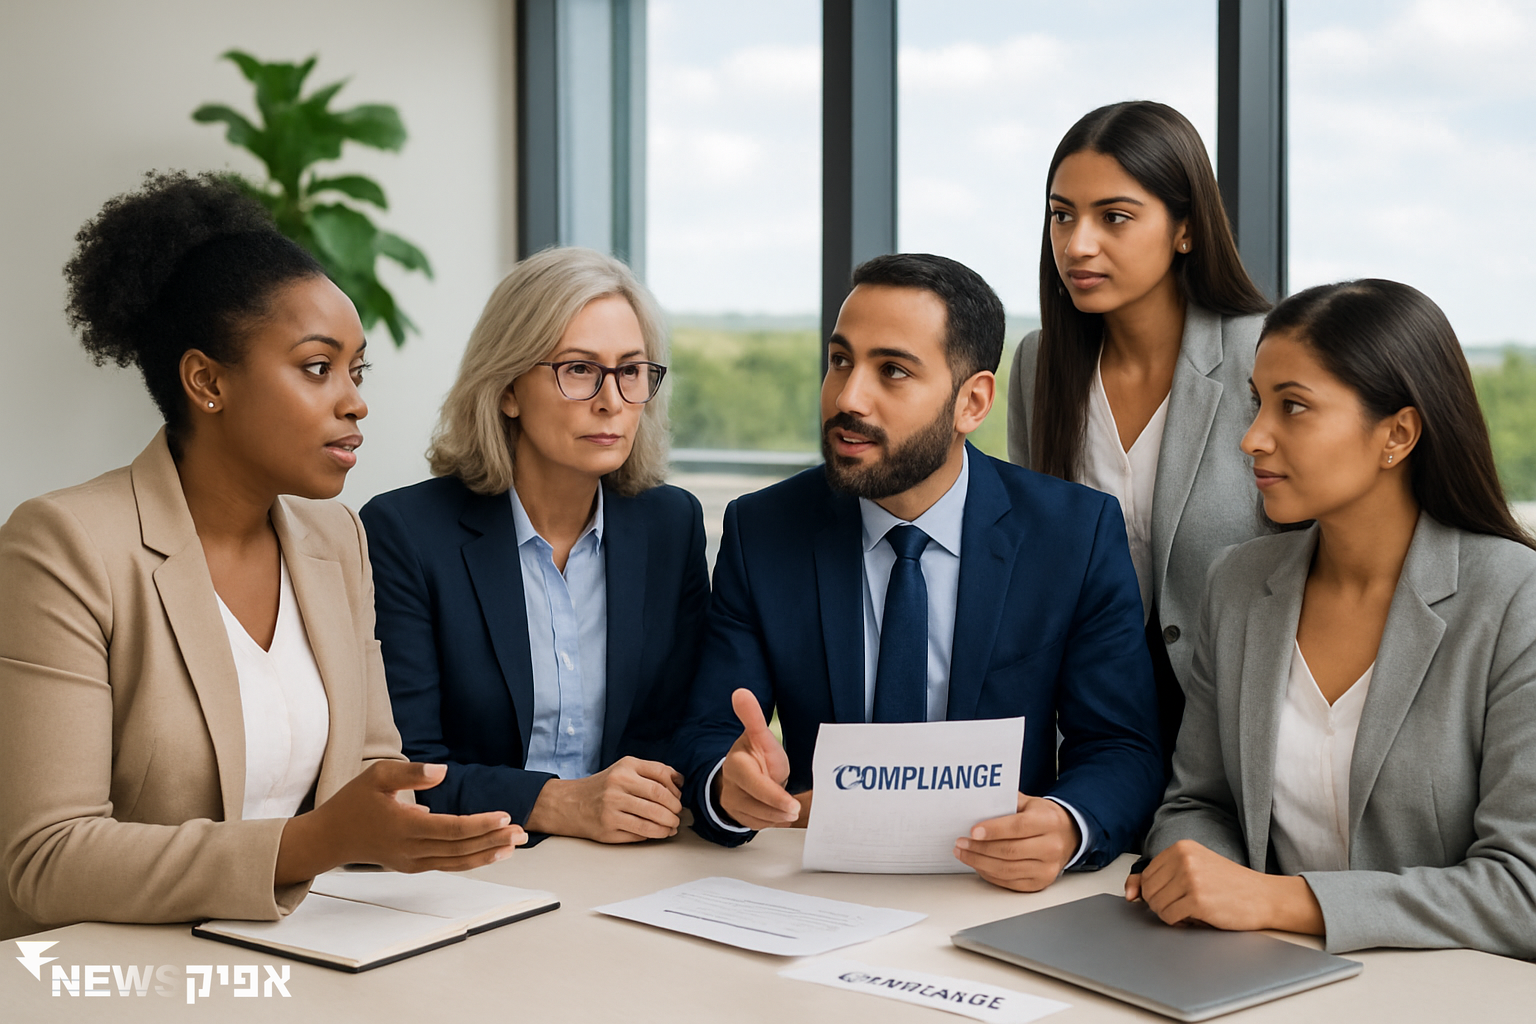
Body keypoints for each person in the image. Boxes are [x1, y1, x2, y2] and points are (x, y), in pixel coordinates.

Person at [0, 172, 522, 941]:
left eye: (357, 369)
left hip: (312, 947)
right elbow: (45, 861)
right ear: (207, 381)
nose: (355, 400)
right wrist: (311, 844)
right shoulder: (65, 545)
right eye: (318, 367)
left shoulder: (337, 540)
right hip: (117, 972)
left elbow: (368, 778)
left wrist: (419, 832)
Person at [674, 253, 1163, 891]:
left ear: (973, 402)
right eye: (840, 360)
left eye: (893, 371)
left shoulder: (1075, 535)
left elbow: (1123, 747)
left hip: (994, 890)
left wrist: (1068, 825)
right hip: (816, 887)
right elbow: (709, 733)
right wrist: (727, 787)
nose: (848, 397)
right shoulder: (761, 530)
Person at [1130, 280, 1536, 958]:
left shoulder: (1515, 600)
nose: (1252, 438)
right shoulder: (1236, 583)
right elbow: (1197, 803)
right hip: (1251, 973)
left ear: (1397, 434)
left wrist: (1278, 900)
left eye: (1294, 407)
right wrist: (1192, 872)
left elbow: (1523, 891)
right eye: (1258, 404)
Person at [360, 247, 708, 844]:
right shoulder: (405, 532)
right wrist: (559, 803)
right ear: (507, 390)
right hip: (474, 865)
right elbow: (403, 769)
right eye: (577, 369)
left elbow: (681, 730)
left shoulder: (670, 524)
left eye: (630, 370)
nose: (611, 400)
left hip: (634, 864)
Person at [1006, 101, 1272, 774]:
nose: (1076, 244)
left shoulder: (1264, 355)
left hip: (1237, 722)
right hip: (1090, 729)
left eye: (1113, 217)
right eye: (1061, 214)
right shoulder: (1040, 364)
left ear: (1185, 230)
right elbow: (1033, 559)